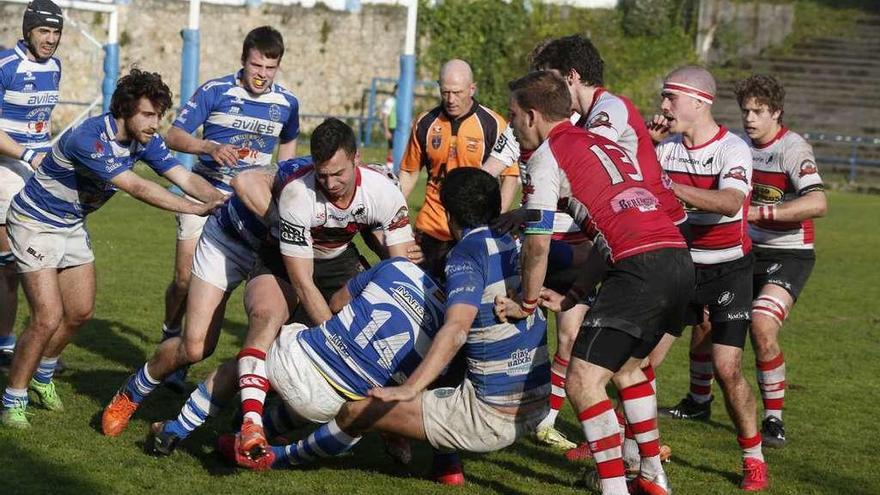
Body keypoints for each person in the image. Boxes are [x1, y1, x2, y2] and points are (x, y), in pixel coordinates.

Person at [252, 167, 549, 486]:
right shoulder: (516, 239)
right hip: (536, 400)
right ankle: (445, 464)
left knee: (358, 409)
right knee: (446, 357)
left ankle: (276, 458)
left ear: (448, 214)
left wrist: (409, 389)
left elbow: (456, 329)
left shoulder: (466, 253)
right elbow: (551, 225)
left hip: (491, 416)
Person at [484, 35, 688, 456]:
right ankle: (646, 470)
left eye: (514, 115)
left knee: (585, 377)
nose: (512, 125)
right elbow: (601, 205)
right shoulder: (597, 135)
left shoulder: (567, 141)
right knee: (629, 369)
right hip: (668, 250)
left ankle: (616, 469)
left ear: (533, 114)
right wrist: (574, 289)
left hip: (639, 258)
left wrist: (524, 300)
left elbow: (539, 242)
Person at [0, 69, 227, 429]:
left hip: (71, 224)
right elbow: (137, 188)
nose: (156, 124)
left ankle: (43, 375)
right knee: (47, 317)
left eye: (159, 115)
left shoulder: (146, 140)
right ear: (125, 110)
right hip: (35, 223)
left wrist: (221, 200)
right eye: (148, 115)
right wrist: (193, 208)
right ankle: (13, 397)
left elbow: (183, 178)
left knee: (80, 312)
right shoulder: (91, 138)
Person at [145, 257, 445, 464]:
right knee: (324, 397)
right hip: (330, 408)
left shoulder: (398, 266)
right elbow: (416, 379)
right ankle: (254, 435)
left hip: (294, 363)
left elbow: (337, 302)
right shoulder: (451, 323)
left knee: (243, 362)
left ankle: (178, 429)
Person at [99, 155, 308, 437]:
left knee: (276, 341)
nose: (332, 183)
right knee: (196, 347)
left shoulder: (363, 193)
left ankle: (255, 417)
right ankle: (133, 391)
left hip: (276, 257)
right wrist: (281, 224)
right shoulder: (299, 172)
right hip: (229, 240)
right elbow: (243, 180)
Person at [160, 26, 299, 390]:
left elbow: (288, 143)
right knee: (184, 279)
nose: (262, 74)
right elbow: (173, 135)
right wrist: (208, 147)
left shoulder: (286, 103)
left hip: (251, 206)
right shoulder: (215, 90)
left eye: (270, 68)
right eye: (256, 65)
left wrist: (284, 186)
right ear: (243, 59)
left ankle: (260, 369)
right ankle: (171, 331)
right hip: (204, 196)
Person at [650, 66, 769, 490]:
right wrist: (646, 147)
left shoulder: (732, 149)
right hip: (681, 267)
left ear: (700, 103)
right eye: (663, 98)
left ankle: (752, 456)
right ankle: (629, 445)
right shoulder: (664, 149)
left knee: (727, 367)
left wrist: (674, 188)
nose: (663, 106)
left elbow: (730, 201)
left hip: (728, 270)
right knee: (642, 361)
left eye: (671, 98)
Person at [735, 74, 826, 448]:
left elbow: (818, 203)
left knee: (761, 326)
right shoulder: (738, 145)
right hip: (747, 250)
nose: (750, 118)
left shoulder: (792, 148)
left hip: (790, 253)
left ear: (776, 112)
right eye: (745, 111)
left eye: (758, 111)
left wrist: (760, 214)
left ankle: (773, 419)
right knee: (707, 318)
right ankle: (698, 400)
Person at [399, 59, 520, 279]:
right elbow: (409, 171)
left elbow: (510, 176)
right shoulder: (425, 123)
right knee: (426, 299)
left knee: (468, 299)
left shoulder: (493, 124)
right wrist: (396, 220)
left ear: (472, 89)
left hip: (473, 230)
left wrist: (496, 220)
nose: (451, 100)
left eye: (457, 92)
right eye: (445, 92)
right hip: (431, 229)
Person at [0, 0, 64, 373]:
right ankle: (7, 343)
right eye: (44, 31)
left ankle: (36, 337)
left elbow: (43, 120)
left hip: (41, 171)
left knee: (46, 257)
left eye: (55, 32)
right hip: (8, 170)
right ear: (28, 31)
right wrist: (27, 155)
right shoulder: (6, 66)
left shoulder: (55, 67)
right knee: (8, 265)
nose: (50, 39)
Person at [381, 83, 397, 168]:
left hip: (401, 129)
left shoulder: (404, 101)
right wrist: (386, 130)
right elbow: (385, 116)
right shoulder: (390, 101)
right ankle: (389, 167)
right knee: (392, 148)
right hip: (393, 128)